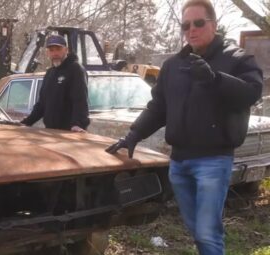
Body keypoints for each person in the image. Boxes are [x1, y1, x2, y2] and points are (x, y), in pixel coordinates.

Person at [105, 0, 263, 254]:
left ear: (214, 24)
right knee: (197, 231)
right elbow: (159, 107)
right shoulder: (172, 65)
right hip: (179, 162)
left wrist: (215, 79)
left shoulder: (237, 58)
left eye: (199, 23)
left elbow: (251, 93)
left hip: (214, 160)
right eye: (186, 25)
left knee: (207, 233)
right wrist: (133, 134)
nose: (192, 30)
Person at [20, 34, 90, 131]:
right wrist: (27, 122)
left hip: (71, 132)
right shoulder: (50, 73)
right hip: (51, 131)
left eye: (58, 49)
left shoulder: (76, 69)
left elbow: (80, 100)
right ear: (47, 53)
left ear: (66, 50)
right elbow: (42, 104)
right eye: (51, 50)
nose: (55, 53)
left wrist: (78, 124)